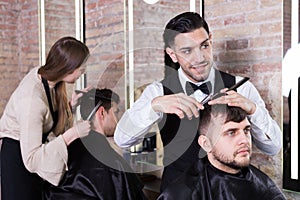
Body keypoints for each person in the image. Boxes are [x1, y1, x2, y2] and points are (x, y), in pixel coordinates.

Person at [114, 12, 282, 190]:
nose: (200, 58)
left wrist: (254, 111)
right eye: (187, 51)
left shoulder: (241, 88)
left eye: (204, 46)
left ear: (210, 40)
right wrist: (153, 107)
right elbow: (122, 139)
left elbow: (273, 148)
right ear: (172, 54)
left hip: (230, 192)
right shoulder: (157, 91)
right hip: (178, 193)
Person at [0, 36, 91, 200]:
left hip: (29, 148)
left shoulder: (48, 79)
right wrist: (73, 134)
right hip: (19, 159)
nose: (83, 71)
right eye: (81, 67)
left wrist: (71, 105)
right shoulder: (32, 100)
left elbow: (47, 118)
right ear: (68, 67)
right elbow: (32, 160)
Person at [157, 104, 286, 200]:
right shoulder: (182, 193)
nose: (244, 140)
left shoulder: (264, 187)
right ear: (206, 144)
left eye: (246, 130)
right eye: (231, 132)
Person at [43, 88, 147, 200]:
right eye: (116, 112)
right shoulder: (113, 163)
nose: (118, 119)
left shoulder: (67, 149)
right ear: (102, 113)